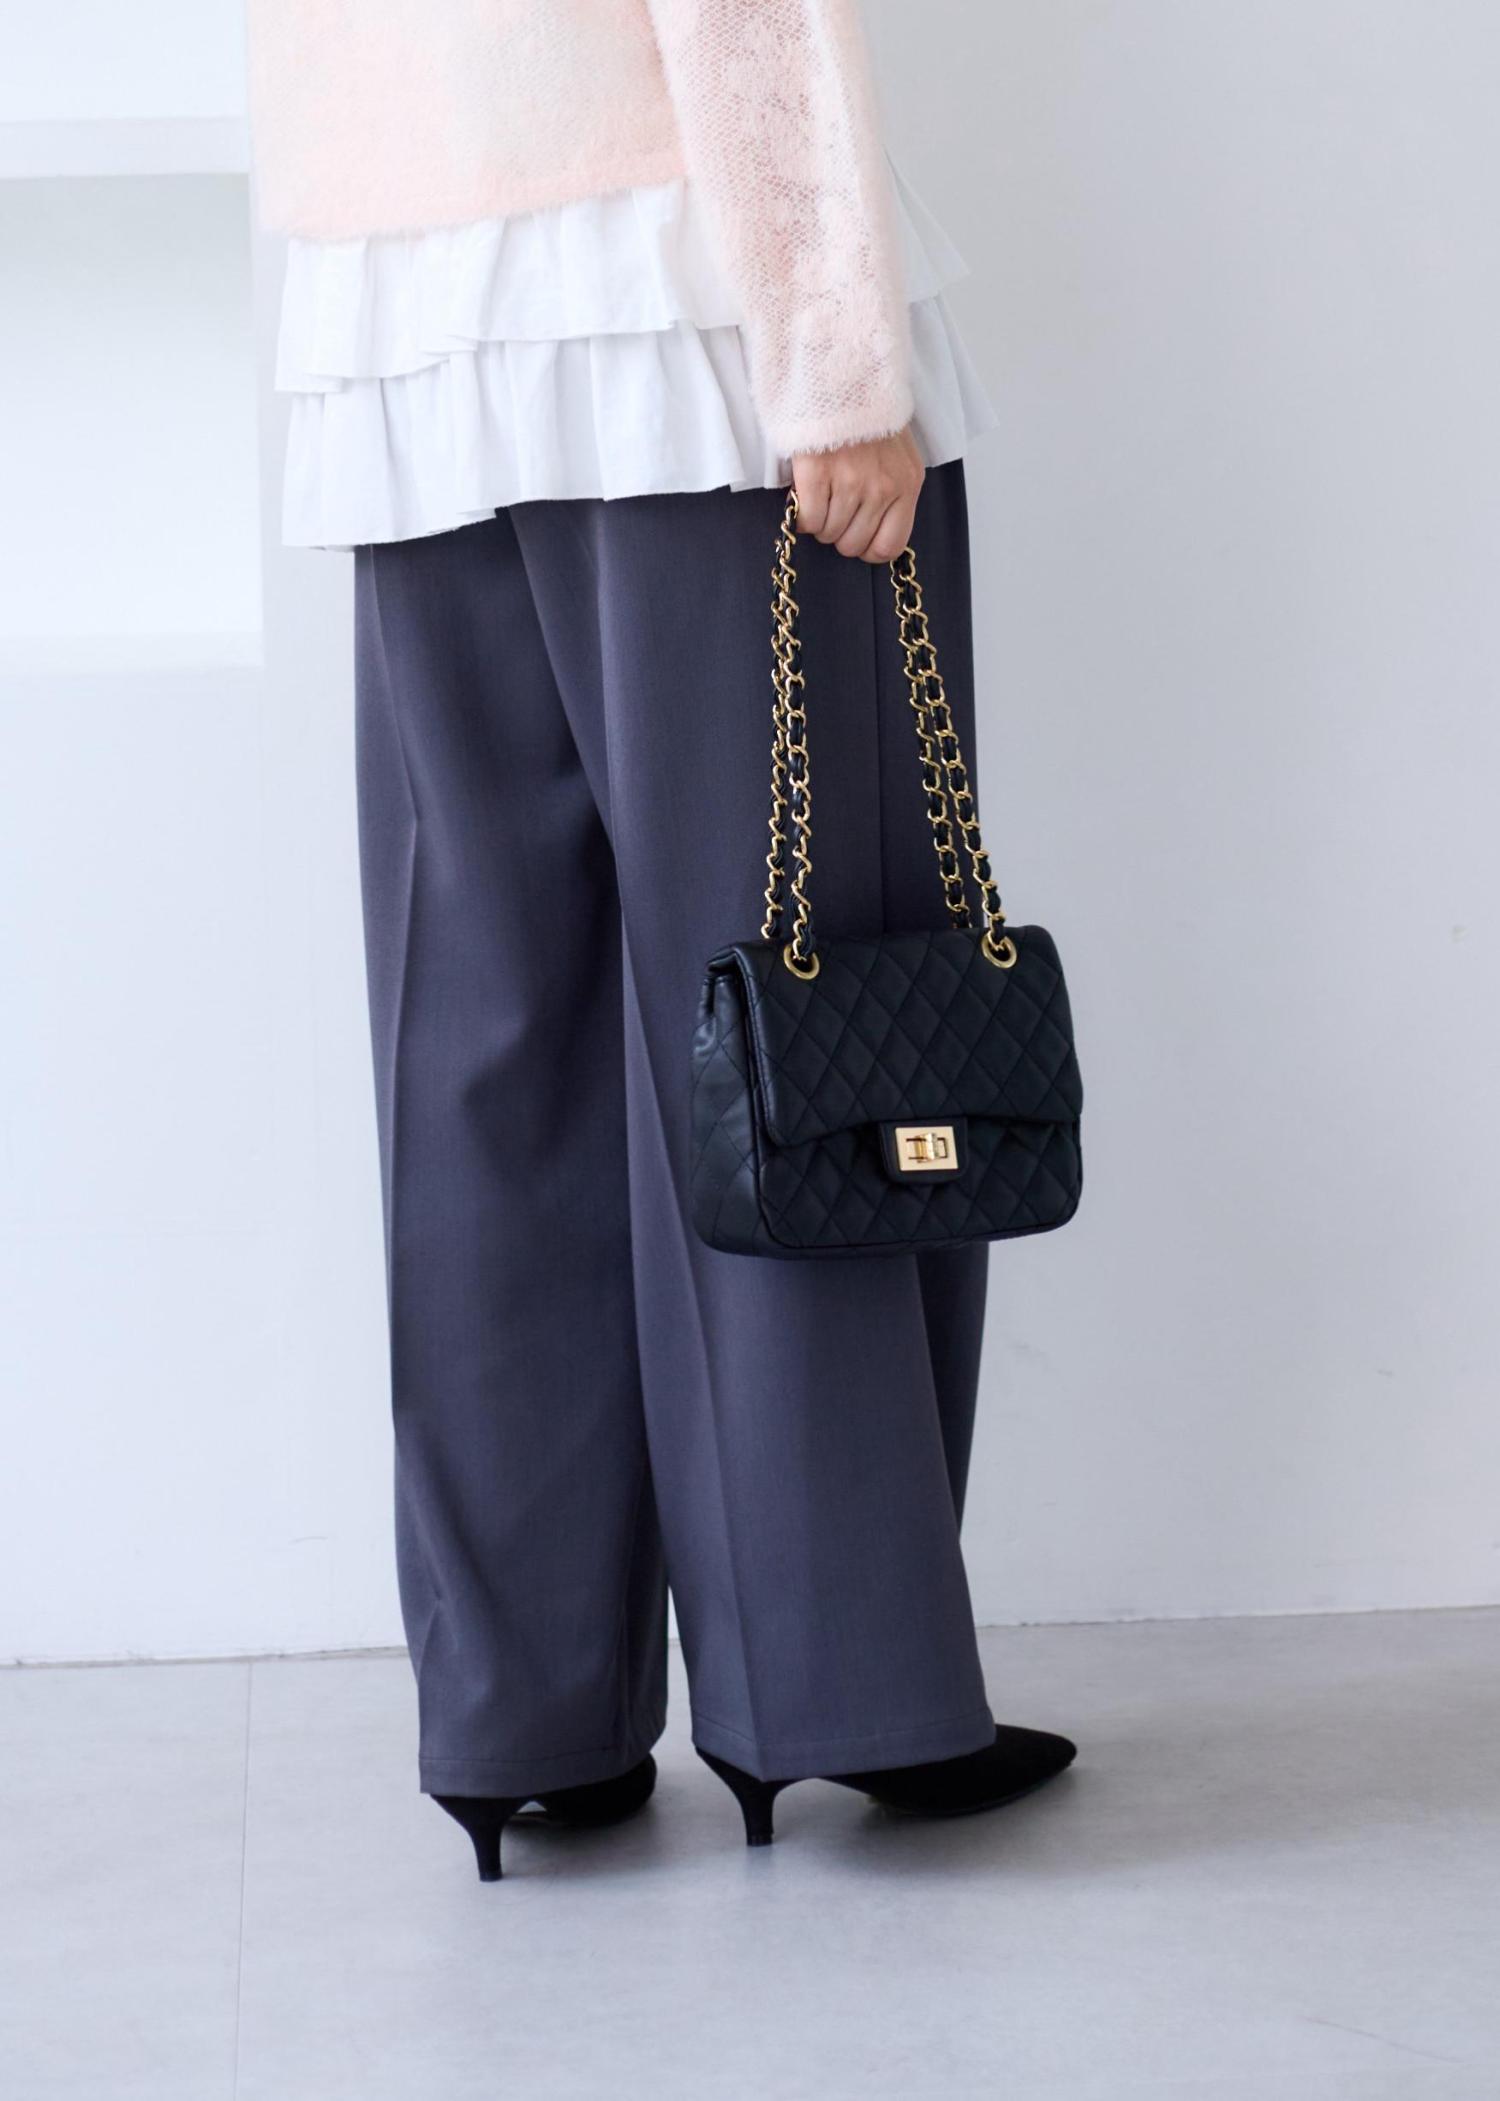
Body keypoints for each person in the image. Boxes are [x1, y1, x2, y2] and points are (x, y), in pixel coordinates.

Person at [247, 0, 1076, 1880]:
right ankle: (841, 1684)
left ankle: (522, 1710)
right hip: (675, 292)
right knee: (804, 1008)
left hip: (401, 307)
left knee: (488, 1024)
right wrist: (835, 348)